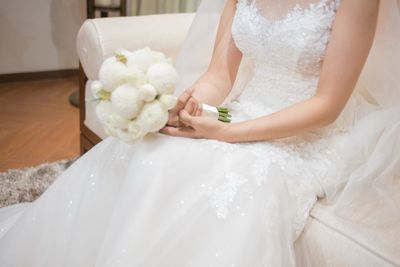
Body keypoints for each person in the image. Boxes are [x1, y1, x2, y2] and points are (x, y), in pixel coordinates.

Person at [0, 0, 398, 266]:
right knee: (149, 152)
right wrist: (188, 104)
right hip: (237, 112)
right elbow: (219, 76)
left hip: (303, 131)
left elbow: (327, 106)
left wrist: (229, 132)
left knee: (227, 181)